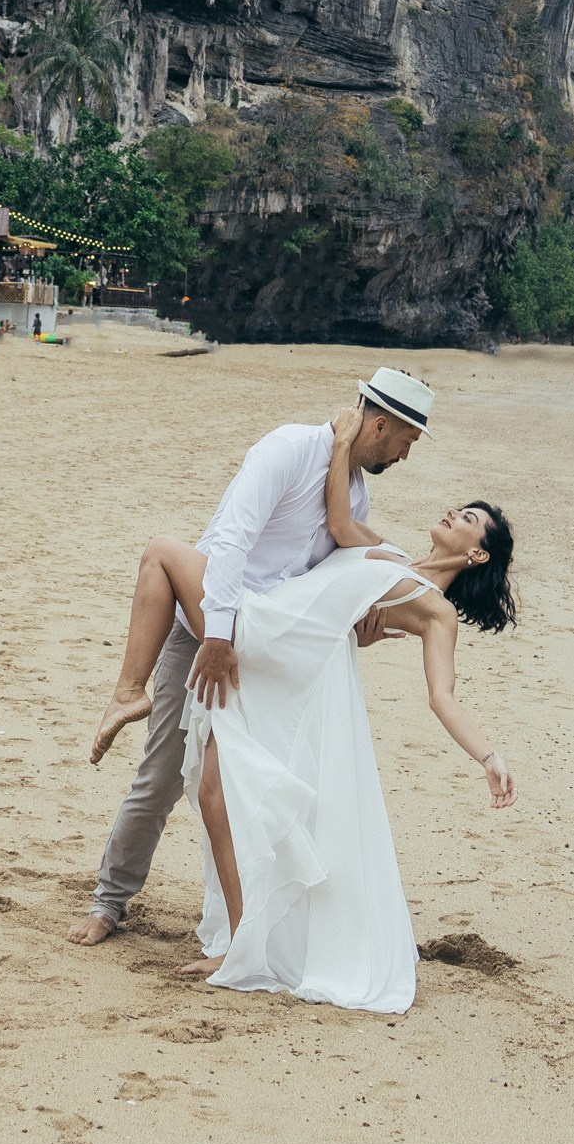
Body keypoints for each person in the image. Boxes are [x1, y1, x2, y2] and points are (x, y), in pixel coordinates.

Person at [144, 404, 517, 1012]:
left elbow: (441, 696)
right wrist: (343, 443)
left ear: (477, 554)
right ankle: (243, 943)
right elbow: (339, 526)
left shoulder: (436, 610)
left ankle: (243, 947)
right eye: (459, 508)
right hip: (279, 645)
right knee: (216, 791)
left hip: (281, 653)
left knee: (165, 554)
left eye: (469, 519)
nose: (454, 513)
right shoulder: (388, 551)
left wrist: (489, 756)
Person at [68, 365, 434, 947]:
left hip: (263, 652)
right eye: (407, 443)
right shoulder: (288, 449)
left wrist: (357, 624)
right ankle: (109, 903)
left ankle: (258, 926)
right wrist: (216, 637)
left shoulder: (354, 493)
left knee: (251, 788)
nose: (405, 457)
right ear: (381, 424)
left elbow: (320, 583)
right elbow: (231, 541)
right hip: (206, 631)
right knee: (161, 775)